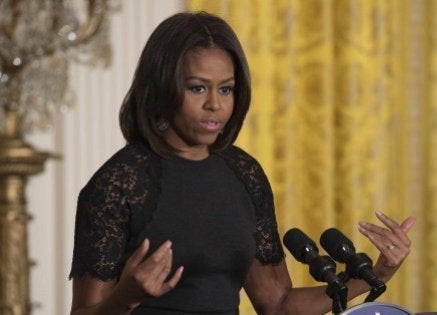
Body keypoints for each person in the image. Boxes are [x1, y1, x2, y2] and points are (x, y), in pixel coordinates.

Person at [69, 11, 415, 315]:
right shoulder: (119, 183)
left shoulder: (243, 173)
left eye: (226, 89)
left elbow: (278, 305)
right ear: (162, 88)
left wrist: (377, 273)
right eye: (197, 88)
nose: (215, 105)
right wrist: (125, 299)